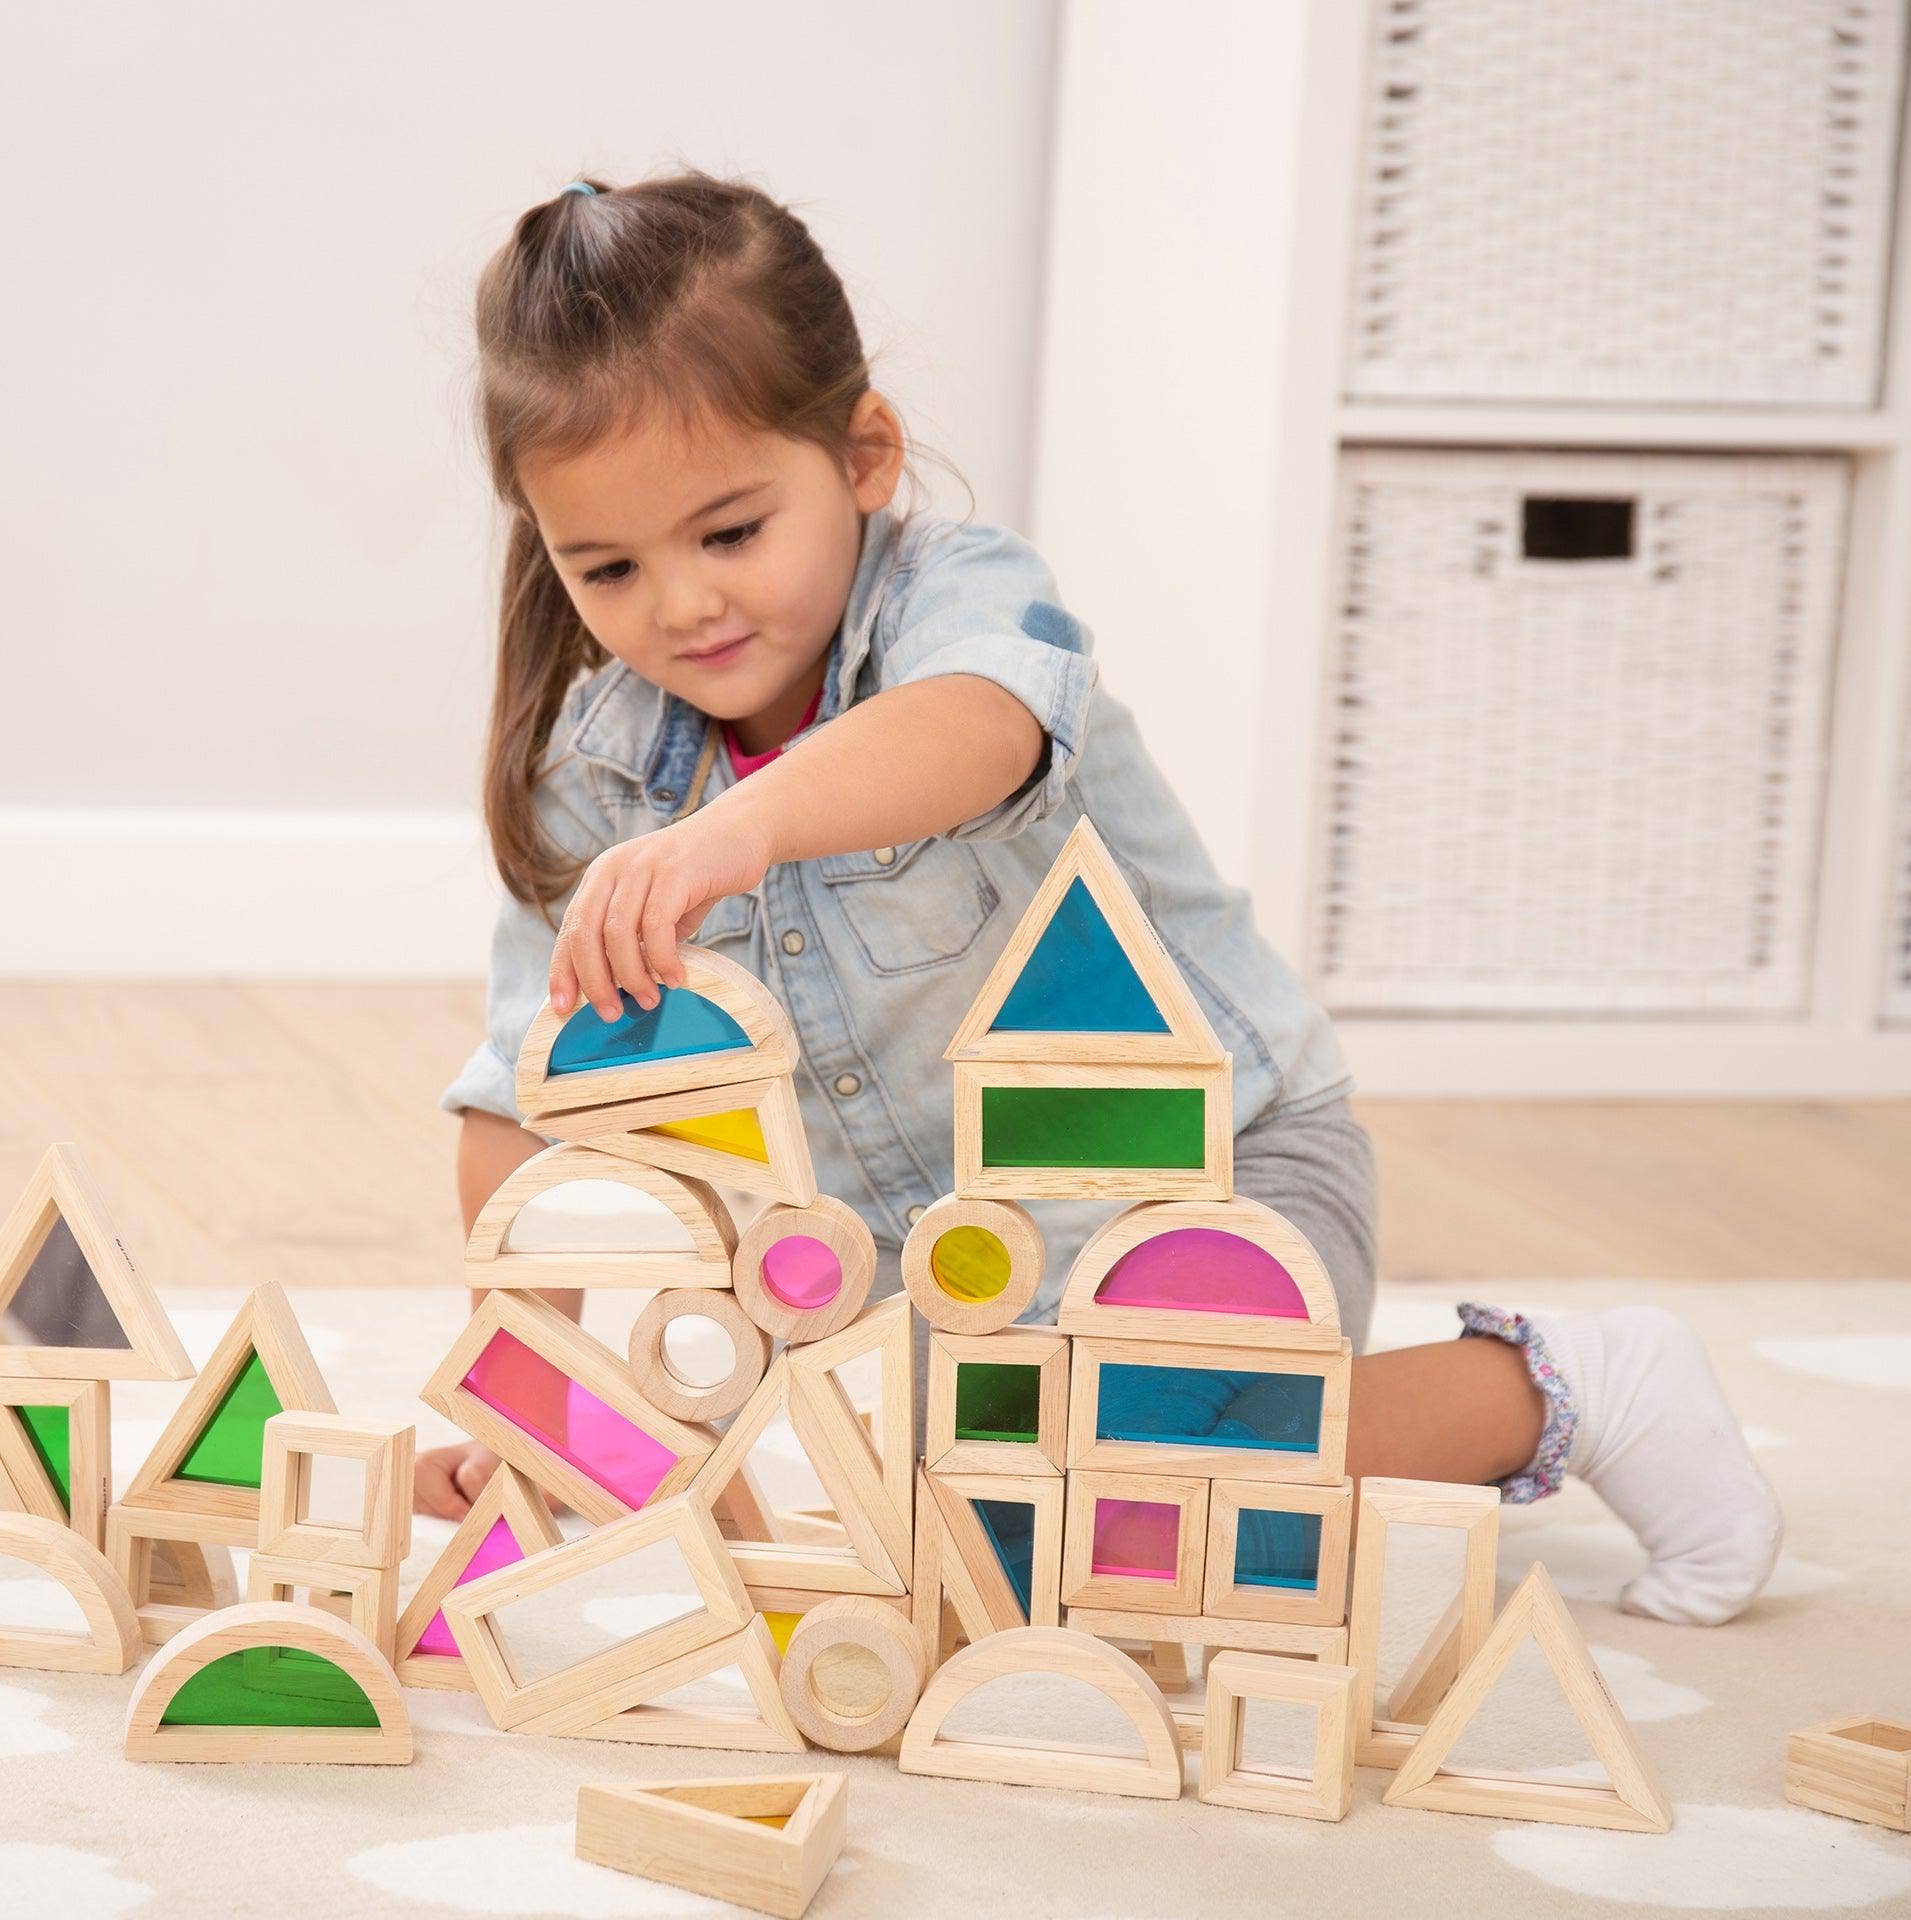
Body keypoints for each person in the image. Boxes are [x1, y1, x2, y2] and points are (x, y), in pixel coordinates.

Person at [422, 170, 1781, 1628]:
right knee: (1015, 1572)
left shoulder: (962, 602)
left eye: (731, 533)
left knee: (1147, 1492)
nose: (682, 605)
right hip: (954, 1301)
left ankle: (1556, 1388)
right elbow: (536, 1117)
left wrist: (733, 833)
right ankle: (1140, 1485)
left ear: (864, 452)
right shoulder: (600, 775)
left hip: (1219, 1185)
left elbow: (977, 732)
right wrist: (536, 1403)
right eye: (608, 567)